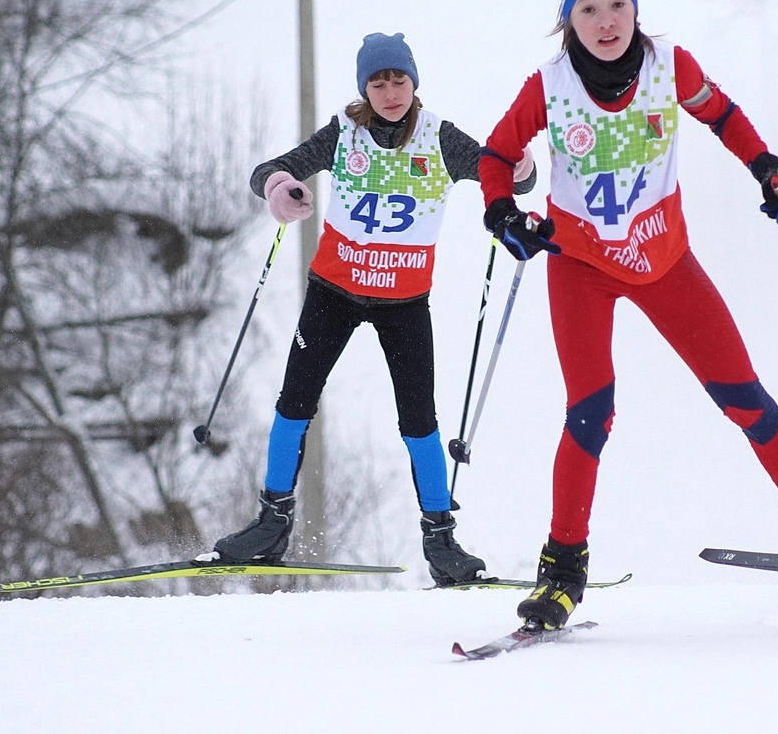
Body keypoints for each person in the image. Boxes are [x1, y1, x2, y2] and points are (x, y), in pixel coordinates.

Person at [477, 0, 778, 629]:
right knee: (591, 414)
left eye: (617, 4)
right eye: (588, 9)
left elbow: (722, 113)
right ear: (569, 20)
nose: (606, 20)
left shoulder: (669, 67)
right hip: (579, 266)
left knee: (745, 397)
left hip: (665, 260)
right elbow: (496, 157)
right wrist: (503, 213)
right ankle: (561, 570)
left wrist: (766, 165)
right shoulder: (548, 86)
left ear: (635, 7)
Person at [197, 32, 536, 586]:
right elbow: (271, 169)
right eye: (378, 83)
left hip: (404, 303)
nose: (389, 92)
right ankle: (270, 523)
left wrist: (518, 169)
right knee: (294, 402)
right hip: (334, 292)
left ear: (413, 83)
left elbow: (501, 171)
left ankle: (441, 540)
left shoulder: (439, 139)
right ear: (365, 89)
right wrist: (281, 188)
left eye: (398, 80)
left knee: (419, 421)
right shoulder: (343, 134)